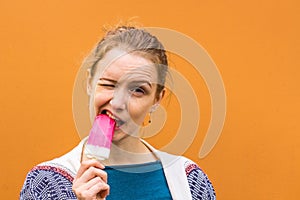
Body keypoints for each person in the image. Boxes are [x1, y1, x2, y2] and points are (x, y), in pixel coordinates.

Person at [20, 25, 216, 200]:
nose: (118, 102)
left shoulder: (191, 181)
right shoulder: (46, 184)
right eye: (108, 84)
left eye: (138, 90)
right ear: (89, 83)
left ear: (157, 99)